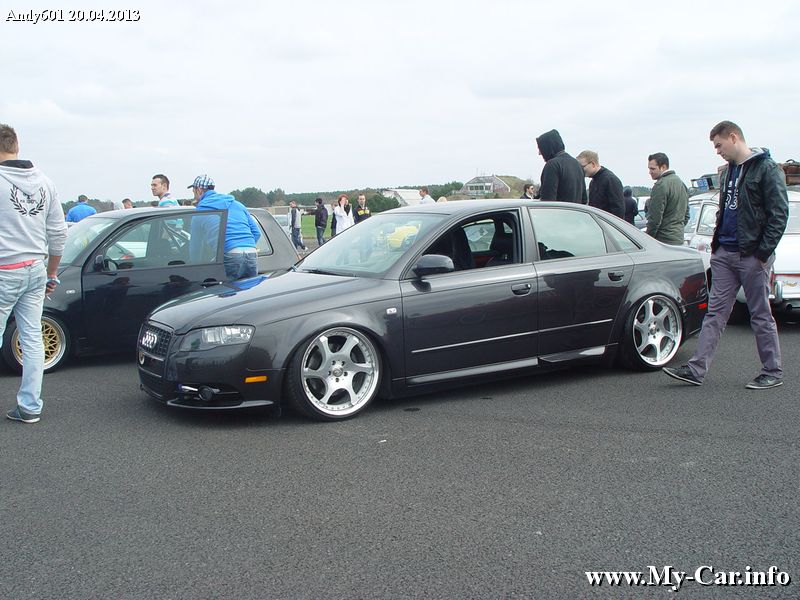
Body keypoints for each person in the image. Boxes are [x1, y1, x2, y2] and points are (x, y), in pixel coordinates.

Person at [663, 121, 789, 390]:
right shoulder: (729, 170)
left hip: (751, 255)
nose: (717, 151)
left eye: (719, 145)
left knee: (760, 315)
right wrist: (717, 245)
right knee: (715, 313)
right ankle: (696, 369)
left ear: (733, 137)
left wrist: (763, 253)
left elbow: (779, 214)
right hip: (725, 253)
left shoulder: (766, 168)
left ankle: (772, 371)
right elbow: (727, 208)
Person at [0, 123, 68, 424]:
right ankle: (29, 405)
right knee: (31, 338)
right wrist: (52, 273)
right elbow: (59, 233)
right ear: (16, 146)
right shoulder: (46, 182)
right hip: (36, 270)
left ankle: (29, 406)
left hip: (4, 270)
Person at [187, 174, 261, 280]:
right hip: (251, 252)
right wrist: (245, 245)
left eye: (193, 191)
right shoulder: (238, 205)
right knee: (249, 289)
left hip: (229, 254)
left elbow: (195, 247)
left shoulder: (201, 211)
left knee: (229, 290)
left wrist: (194, 268)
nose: (194, 195)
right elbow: (256, 232)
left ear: (199, 190)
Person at [645, 153, 689, 245]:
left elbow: (655, 218)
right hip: (678, 238)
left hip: (663, 240)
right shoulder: (681, 183)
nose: (650, 172)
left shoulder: (661, 185)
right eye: (649, 169)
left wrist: (648, 238)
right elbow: (686, 214)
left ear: (663, 167)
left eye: (653, 169)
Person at [535, 129, 587, 203]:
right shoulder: (577, 164)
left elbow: (548, 200)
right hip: (575, 210)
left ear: (548, 147)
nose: (539, 153)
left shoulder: (552, 165)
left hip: (557, 210)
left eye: (540, 148)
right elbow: (584, 199)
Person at [576, 150, 625, 218]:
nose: (580, 170)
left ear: (593, 164)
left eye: (582, 167)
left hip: (606, 223)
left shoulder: (610, 180)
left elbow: (618, 209)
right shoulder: (593, 182)